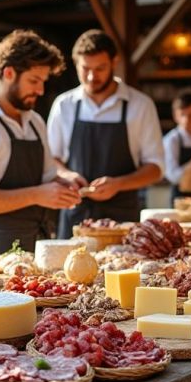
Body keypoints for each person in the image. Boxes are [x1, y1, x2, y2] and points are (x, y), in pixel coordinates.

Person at [0, 29, 80, 255]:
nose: (40, 90)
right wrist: (38, 194)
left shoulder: (35, 121)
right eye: (34, 81)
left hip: (37, 245)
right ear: (8, 73)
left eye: (43, 81)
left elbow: (47, 178)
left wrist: (66, 182)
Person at [46, 29, 165, 238]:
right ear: (76, 65)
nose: (92, 77)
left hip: (123, 220)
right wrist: (67, 175)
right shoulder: (64, 105)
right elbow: (49, 160)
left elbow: (155, 168)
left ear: (114, 62)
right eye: (85, 69)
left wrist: (119, 184)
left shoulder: (140, 106)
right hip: (75, 217)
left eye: (100, 68)